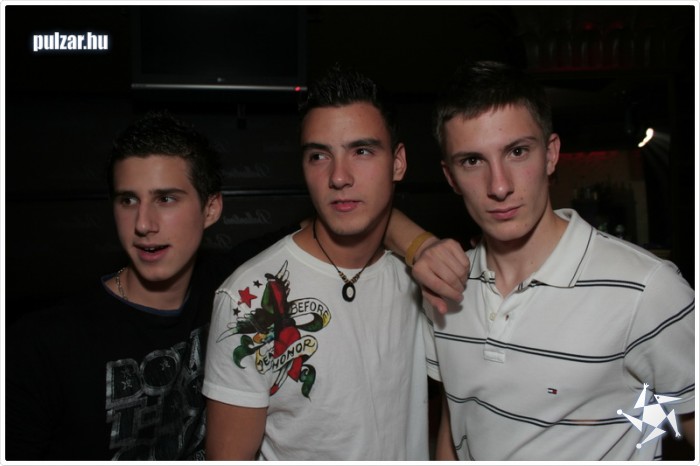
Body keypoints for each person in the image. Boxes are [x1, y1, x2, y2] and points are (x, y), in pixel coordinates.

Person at [4, 111, 456, 460]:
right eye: (128, 201)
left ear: (211, 209)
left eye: (166, 199)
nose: (144, 224)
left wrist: (421, 246)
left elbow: (353, 214)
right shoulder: (43, 342)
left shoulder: (234, 284)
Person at [418, 60, 695, 461]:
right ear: (450, 176)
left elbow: (690, 417)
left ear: (550, 154)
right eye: (473, 161)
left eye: (517, 152)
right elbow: (455, 418)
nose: (499, 186)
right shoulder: (444, 286)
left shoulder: (645, 288)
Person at [203, 66, 433, 460]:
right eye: (318, 156)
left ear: (398, 163)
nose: (339, 177)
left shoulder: (421, 278)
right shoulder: (248, 298)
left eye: (362, 151)